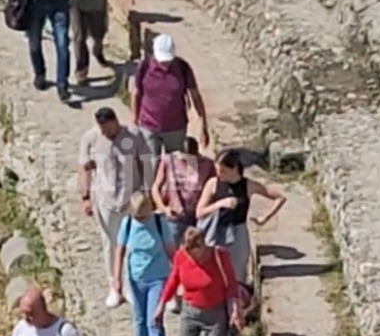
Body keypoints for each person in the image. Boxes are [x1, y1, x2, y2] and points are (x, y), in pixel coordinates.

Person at [78, 107, 150, 308]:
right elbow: (85, 167)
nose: (105, 133)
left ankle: (130, 284)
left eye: (108, 129)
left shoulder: (134, 136)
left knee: (133, 241)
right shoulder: (91, 139)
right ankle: (114, 284)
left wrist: (148, 191)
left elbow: (144, 162)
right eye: (102, 129)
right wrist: (85, 196)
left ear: (115, 122)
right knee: (110, 242)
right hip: (106, 199)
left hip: (131, 198)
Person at [197, 150, 286, 287]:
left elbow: (279, 197)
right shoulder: (213, 184)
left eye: (223, 171)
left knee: (238, 274)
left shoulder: (249, 185)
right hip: (216, 233)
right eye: (217, 170)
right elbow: (200, 212)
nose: (219, 174)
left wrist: (265, 218)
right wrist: (219, 204)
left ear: (234, 169)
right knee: (215, 274)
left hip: (238, 233)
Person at [114, 191, 172, 336]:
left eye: (142, 216)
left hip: (158, 277)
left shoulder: (158, 223)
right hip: (136, 278)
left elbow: (170, 250)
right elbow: (120, 251)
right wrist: (117, 279)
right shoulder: (128, 224)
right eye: (136, 216)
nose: (140, 219)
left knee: (154, 320)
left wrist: (180, 276)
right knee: (139, 317)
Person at [151, 135, 214, 311]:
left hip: (196, 217)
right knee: (175, 257)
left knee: (196, 255)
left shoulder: (207, 165)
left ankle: (195, 293)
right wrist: (163, 208)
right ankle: (175, 296)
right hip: (174, 216)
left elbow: (213, 187)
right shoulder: (169, 161)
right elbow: (156, 187)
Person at [132, 33, 209, 159]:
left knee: (175, 166)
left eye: (168, 60)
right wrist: (134, 120)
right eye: (162, 61)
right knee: (151, 165)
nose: (165, 64)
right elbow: (136, 93)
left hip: (176, 128)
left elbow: (196, 97)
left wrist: (203, 125)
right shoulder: (144, 67)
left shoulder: (183, 68)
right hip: (149, 126)